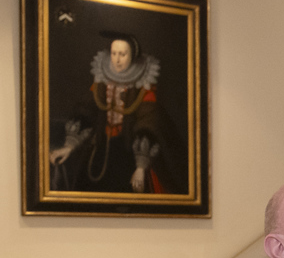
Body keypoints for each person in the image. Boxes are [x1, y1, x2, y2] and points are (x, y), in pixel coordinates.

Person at [49, 31, 184, 194]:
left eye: (122, 54)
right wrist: (69, 146)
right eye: (114, 53)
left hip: (130, 152)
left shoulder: (143, 85)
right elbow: (87, 110)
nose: (117, 59)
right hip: (100, 149)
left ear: (132, 56)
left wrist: (141, 166)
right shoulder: (102, 80)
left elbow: (148, 120)